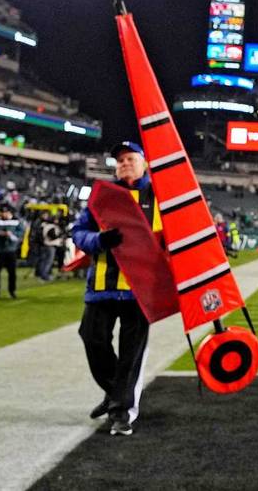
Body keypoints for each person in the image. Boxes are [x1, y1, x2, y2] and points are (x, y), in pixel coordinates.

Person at [71, 141, 157, 437]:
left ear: (145, 162)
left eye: (130, 158)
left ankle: (121, 413)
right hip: (103, 286)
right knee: (92, 338)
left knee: (131, 352)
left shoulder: (160, 196)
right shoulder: (102, 196)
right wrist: (99, 241)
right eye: (120, 161)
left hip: (140, 289)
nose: (124, 164)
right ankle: (115, 393)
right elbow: (79, 233)